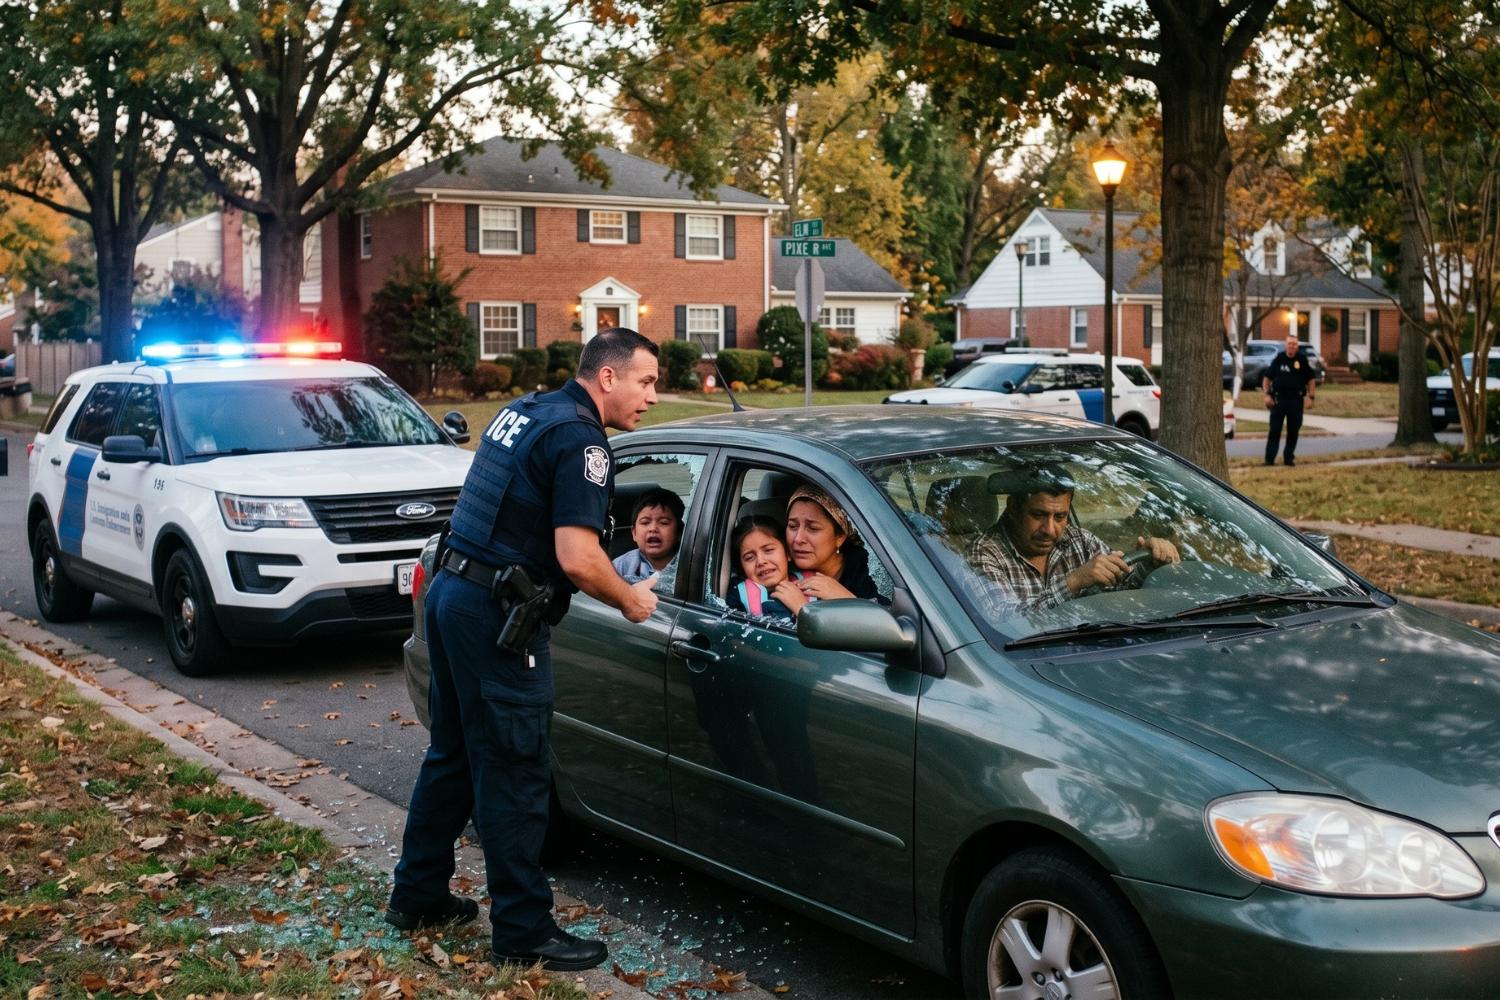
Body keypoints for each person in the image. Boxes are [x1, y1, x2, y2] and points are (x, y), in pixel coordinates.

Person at [386, 328, 661, 972]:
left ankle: (418, 894)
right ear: (608, 378)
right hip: (497, 615)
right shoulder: (581, 441)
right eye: (646, 381)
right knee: (513, 769)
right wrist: (632, 600)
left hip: (454, 593)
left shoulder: (528, 410)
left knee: (453, 752)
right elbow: (578, 558)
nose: (654, 395)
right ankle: (522, 930)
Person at [966, 472, 1180, 614]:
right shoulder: (982, 554)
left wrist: (1151, 563)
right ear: (1013, 508)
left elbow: (1123, 585)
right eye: (1039, 515)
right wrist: (1075, 581)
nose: (1050, 529)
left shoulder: (1079, 540)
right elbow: (1005, 622)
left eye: (1060, 517)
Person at [784, 484, 880, 601]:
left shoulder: (871, 573)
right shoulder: (778, 571)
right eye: (793, 526)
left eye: (813, 528)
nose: (798, 539)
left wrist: (848, 600)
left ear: (840, 536)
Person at [727, 514, 807, 621]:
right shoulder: (738, 596)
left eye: (768, 550)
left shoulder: (812, 586)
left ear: (787, 552)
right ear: (742, 567)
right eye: (749, 557)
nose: (760, 561)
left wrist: (802, 607)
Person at [1262, 333, 1318, 466]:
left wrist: (1311, 397)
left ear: (1297, 346)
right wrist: (1266, 395)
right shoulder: (1279, 358)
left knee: (1293, 431)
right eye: (1289, 344)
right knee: (1274, 430)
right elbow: (1266, 378)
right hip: (1279, 400)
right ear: (1285, 345)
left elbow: (1311, 379)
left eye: (1294, 344)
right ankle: (1269, 460)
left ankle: (1288, 458)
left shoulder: (1302, 360)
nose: (1292, 346)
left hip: (1296, 401)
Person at [612, 488, 684, 583]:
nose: (653, 528)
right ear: (634, 533)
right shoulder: (621, 566)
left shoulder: (689, 565)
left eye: (663, 522)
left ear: (679, 532)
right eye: (645, 522)